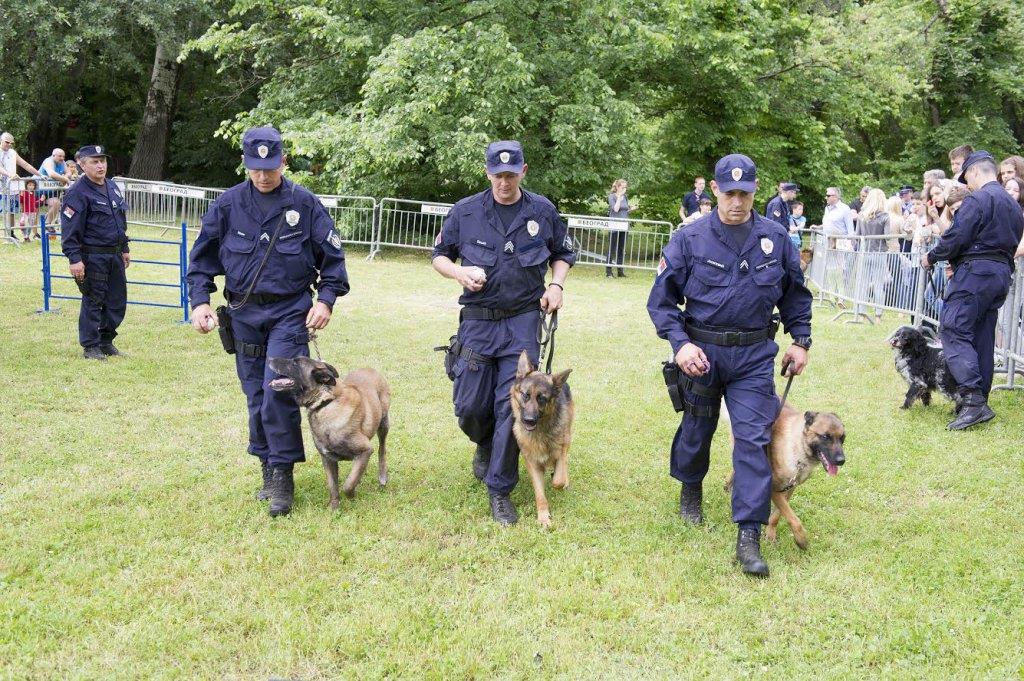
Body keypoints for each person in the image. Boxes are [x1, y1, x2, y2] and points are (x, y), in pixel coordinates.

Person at [647, 153, 812, 577]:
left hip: (755, 355)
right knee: (697, 428)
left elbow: (795, 296)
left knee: (753, 439)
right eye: (729, 192)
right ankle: (691, 488)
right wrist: (680, 344)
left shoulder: (775, 238)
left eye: (745, 193)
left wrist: (800, 341)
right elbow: (661, 301)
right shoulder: (690, 239)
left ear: (756, 191)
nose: (737, 201)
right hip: (702, 353)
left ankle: (749, 534)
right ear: (715, 190)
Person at [187, 126, 350, 517]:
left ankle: (281, 474)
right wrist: (199, 302)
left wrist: (325, 301)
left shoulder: (304, 204)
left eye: (271, 168)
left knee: (277, 391)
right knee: (255, 395)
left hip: (289, 312)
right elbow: (201, 261)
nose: (263, 176)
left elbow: (333, 262)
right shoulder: (227, 205)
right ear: (245, 164)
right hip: (243, 315)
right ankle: (266, 462)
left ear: (284, 162)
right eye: (256, 168)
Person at [432, 140, 576, 526]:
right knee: (469, 407)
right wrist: (459, 272)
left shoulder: (541, 211)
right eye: (498, 175)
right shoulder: (465, 212)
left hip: (522, 319)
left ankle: (500, 490)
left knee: (508, 406)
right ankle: (484, 444)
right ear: (488, 173)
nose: (505, 182)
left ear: (523, 172)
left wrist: (556, 285)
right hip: (478, 320)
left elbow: (563, 253)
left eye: (512, 175)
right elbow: (439, 256)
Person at [922, 151, 1024, 429]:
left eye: (967, 178)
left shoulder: (978, 199)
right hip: (1000, 274)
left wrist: (931, 256)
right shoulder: (1014, 206)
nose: (967, 185)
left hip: (975, 275)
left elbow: (957, 236)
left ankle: (972, 400)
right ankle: (979, 400)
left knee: (954, 329)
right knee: (981, 336)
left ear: (976, 172)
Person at [60, 145, 131, 361]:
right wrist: (74, 259)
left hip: (114, 254)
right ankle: (91, 346)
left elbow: (120, 220)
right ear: (81, 164)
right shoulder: (77, 192)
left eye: (103, 161)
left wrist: (125, 247)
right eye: (94, 161)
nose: (101, 165)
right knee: (94, 299)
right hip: (93, 255)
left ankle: (106, 340)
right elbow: (70, 230)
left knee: (117, 300)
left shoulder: (112, 186)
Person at [855, 188, 891, 322]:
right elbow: (887, 237)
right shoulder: (885, 216)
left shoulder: (861, 215)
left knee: (862, 284)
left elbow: (857, 235)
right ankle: (878, 316)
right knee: (878, 285)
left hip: (864, 252)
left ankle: (861, 314)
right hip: (879, 253)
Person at [1, 132, 42, 236]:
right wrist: (10, 175)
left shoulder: (13, 152)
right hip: (2, 187)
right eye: (7, 142)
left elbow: (25, 165)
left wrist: (39, 174)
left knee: (12, 212)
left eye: (12, 143)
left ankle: (10, 233)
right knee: (6, 211)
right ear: (1, 140)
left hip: (13, 187)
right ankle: (7, 234)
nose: (9, 144)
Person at [606, 178, 632, 278]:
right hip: (614, 225)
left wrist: (631, 209)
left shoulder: (625, 197)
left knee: (621, 249)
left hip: (624, 225)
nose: (625, 189)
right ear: (617, 187)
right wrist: (619, 197)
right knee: (612, 248)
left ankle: (620, 271)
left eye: (626, 187)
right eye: (623, 187)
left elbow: (625, 210)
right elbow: (616, 209)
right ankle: (608, 272)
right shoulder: (612, 197)